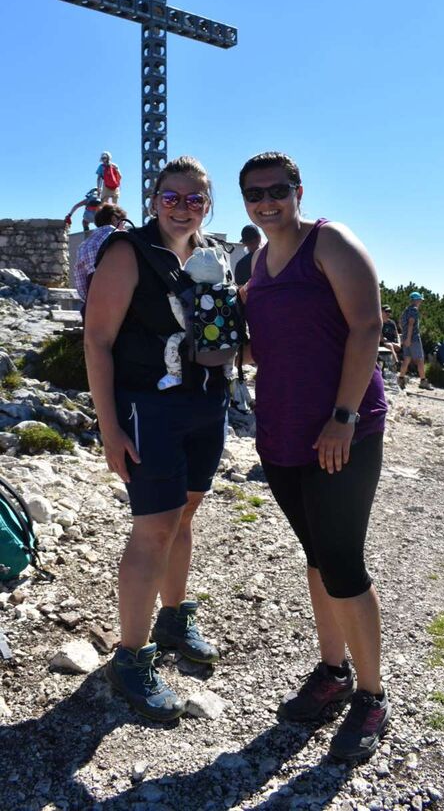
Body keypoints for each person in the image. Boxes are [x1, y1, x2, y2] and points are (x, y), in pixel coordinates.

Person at [239, 151, 390, 762]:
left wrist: (343, 417)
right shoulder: (258, 262)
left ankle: (372, 696)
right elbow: (272, 345)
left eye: (277, 189)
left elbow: (368, 327)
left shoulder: (330, 242)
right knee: (316, 557)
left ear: (298, 191)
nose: (266, 201)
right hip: (282, 434)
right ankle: (333, 672)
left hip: (341, 432)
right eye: (254, 194)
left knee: (343, 563)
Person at [84, 156, 228, 723]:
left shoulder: (212, 254)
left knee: (184, 514)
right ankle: (130, 656)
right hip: (149, 405)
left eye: (194, 199)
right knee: (155, 527)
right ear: (153, 201)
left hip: (206, 403)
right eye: (171, 197)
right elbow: (97, 340)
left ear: (207, 206)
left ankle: (173, 617)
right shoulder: (128, 252)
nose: (182, 208)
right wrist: (109, 427)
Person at [74, 203, 127, 301]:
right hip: (119, 298)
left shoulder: (83, 245)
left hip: (93, 301)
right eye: (123, 223)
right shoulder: (121, 237)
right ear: (114, 219)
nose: (124, 227)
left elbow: (80, 282)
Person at [397, 292, 433, 390]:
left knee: (407, 358)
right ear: (416, 300)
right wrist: (409, 338)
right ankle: (423, 381)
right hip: (413, 338)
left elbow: (400, 322)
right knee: (420, 359)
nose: (421, 301)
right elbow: (411, 324)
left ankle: (401, 379)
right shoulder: (414, 310)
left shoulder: (406, 310)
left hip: (406, 338)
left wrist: (405, 335)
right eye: (420, 300)